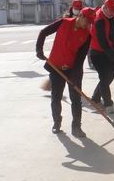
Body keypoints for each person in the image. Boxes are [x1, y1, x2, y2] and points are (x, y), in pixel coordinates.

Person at [36, 7, 96, 137]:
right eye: (88, 21)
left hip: (73, 69)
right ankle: (56, 123)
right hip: (55, 67)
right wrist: (39, 49)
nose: (88, 24)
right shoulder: (63, 22)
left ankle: (76, 127)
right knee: (56, 97)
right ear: (81, 16)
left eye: (91, 22)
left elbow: (80, 59)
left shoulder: (87, 36)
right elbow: (43, 32)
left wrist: (73, 76)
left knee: (76, 99)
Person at [89, 0, 114, 114]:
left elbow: (112, 35)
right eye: (111, 10)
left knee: (110, 76)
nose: (112, 12)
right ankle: (108, 104)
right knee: (104, 78)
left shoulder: (110, 17)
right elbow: (103, 42)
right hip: (97, 53)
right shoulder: (99, 20)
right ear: (105, 7)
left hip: (108, 51)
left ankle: (95, 98)